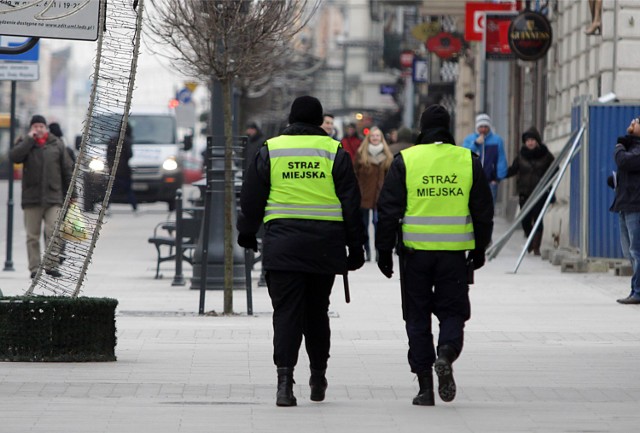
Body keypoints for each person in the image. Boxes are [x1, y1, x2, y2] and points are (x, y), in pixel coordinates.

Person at [236, 95, 366, 407]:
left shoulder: (271, 149)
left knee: (286, 314)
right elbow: (351, 202)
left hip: (283, 245)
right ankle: (318, 376)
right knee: (317, 312)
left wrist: (247, 232)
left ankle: (284, 383)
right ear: (320, 120)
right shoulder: (334, 150)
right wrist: (356, 246)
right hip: (324, 246)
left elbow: (252, 195)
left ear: (291, 120)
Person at [375, 105, 494, 406]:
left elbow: (388, 210)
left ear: (422, 128)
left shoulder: (407, 160)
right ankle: (447, 353)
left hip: (415, 255)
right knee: (453, 312)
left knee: (417, 316)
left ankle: (425, 386)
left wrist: (384, 251)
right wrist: (479, 249)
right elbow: (483, 211)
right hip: (454, 255)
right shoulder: (467, 160)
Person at [9, 114, 74, 279]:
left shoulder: (56, 144)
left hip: (54, 197)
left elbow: (67, 170)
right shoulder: (25, 143)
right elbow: (14, 157)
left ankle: (51, 265)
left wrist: (73, 194)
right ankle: (34, 268)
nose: (38, 129)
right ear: (31, 128)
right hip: (32, 198)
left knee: (54, 231)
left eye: (41, 126)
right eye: (35, 126)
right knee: (32, 236)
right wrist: (29, 140)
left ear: (46, 128)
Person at [504, 127, 555, 255]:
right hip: (525, 192)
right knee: (525, 219)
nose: (530, 143)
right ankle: (530, 240)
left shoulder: (546, 155)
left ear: (537, 141)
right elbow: (513, 169)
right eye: (527, 140)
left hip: (540, 192)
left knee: (538, 219)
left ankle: (536, 247)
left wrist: (548, 183)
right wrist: (499, 175)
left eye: (532, 140)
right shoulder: (521, 155)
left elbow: (555, 169)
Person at [609, 117, 640, 305]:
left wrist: (619, 146)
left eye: (638, 121)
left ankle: (637, 291)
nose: (634, 121)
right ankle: (636, 289)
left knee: (636, 251)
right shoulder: (632, 147)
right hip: (625, 204)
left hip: (635, 206)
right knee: (629, 252)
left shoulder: (631, 150)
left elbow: (624, 162)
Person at [353, 126, 394, 262]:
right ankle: (367, 251)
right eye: (373, 136)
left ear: (381, 138)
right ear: (368, 138)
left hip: (380, 197)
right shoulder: (361, 154)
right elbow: (355, 174)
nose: (375, 138)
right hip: (364, 196)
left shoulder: (388, 156)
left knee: (378, 226)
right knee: (364, 226)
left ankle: (377, 251)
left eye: (377, 136)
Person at [462, 113, 508, 205]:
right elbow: (464, 155)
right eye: (481, 126)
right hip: (473, 180)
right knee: (475, 204)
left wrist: (498, 177)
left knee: (489, 204)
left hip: (491, 179)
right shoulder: (469, 139)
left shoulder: (497, 140)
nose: (483, 129)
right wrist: (475, 144)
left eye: (485, 126)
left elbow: (501, 158)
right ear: (477, 127)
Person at [106, 122, 137, 211]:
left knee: (111, 190)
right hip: (124, 170)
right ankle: (134, 207)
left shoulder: (112, 139)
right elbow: (130, 154)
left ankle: (106, 206)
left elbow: (108, 155)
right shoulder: (126, 140)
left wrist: (110, 165)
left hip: (113, 170)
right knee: (128, 190)